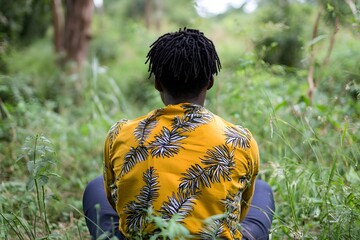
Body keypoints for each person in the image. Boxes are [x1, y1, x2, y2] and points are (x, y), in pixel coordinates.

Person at [83, 28, 275, 239]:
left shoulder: (120, 134)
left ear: (157, 83)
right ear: (210, 82)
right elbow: (240, 210)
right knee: (262, 189)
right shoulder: (241, 140)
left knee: (95, 187)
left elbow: (115, 199)